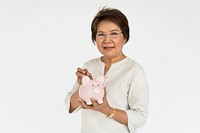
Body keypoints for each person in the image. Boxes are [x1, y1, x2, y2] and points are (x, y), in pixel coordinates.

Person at [65, 7, 149, 133]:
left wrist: (107, 110)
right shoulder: (89, 66)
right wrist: (82, 86)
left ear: (125, 37)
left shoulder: (134, 71)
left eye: (114, 33)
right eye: (101, 34)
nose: (107, 40)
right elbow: (70, 105)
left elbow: (140, 117)